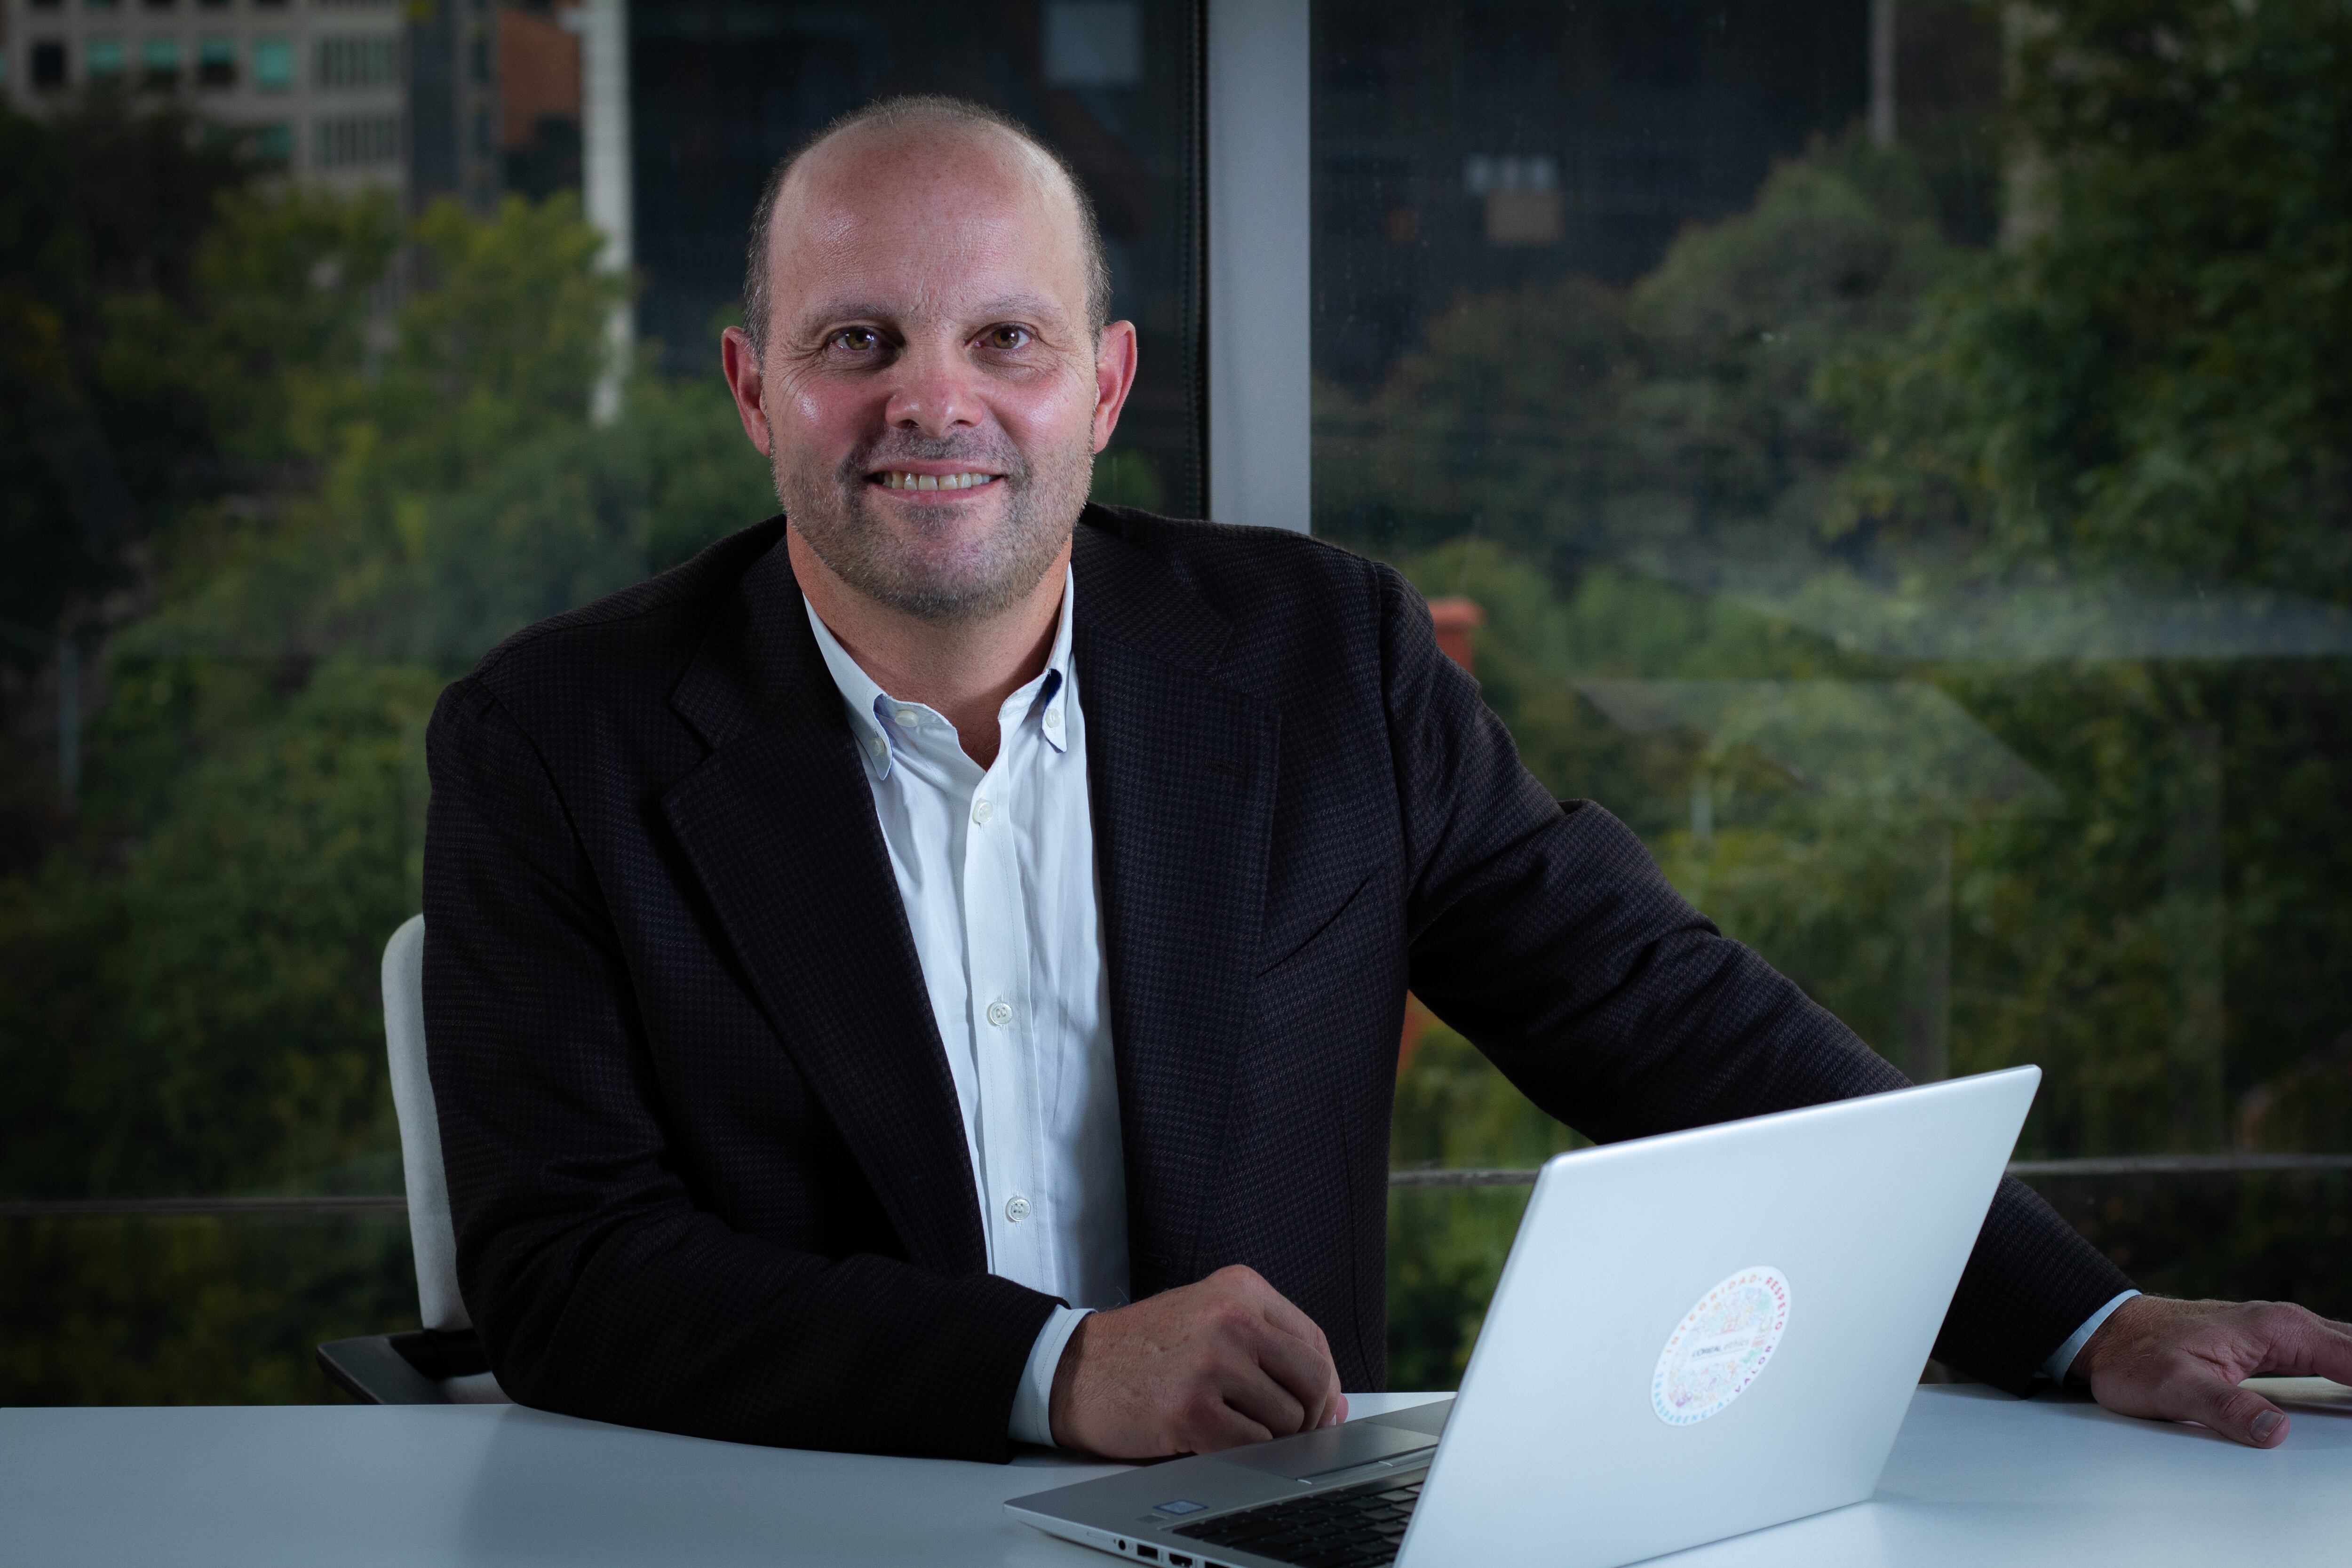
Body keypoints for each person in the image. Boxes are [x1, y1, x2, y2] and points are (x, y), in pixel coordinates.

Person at [421, 95, 2352, 1464]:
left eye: (1001, 337)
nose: (936, 399)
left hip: (1259, 1532)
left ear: (1097, 390)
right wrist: (1053, 1372)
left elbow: (1651, 1015)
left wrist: (2079, 1318)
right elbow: (570, 1271)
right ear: (759, 391)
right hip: (777, 1530)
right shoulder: (551, 742)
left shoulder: (1322, 663)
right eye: (859, 342)